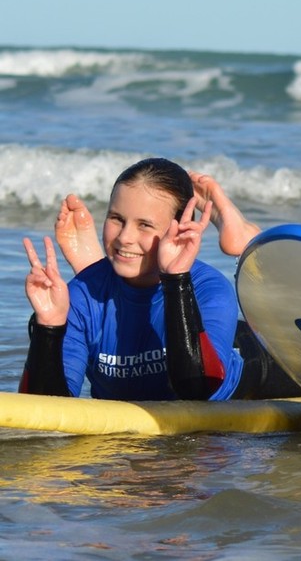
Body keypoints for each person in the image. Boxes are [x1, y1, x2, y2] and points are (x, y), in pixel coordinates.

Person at [22, 158, 250, 400]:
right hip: (106, 299)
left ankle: (239, 228)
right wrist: (49, 327)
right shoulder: (77, 297)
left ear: (182, 229)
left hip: (243, 380)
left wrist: (176, 280)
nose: (125, 237)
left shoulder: (209, 288)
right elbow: (45, 416)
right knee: (88, 297)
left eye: (144, 225)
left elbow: (196, 391)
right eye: (117, 219)